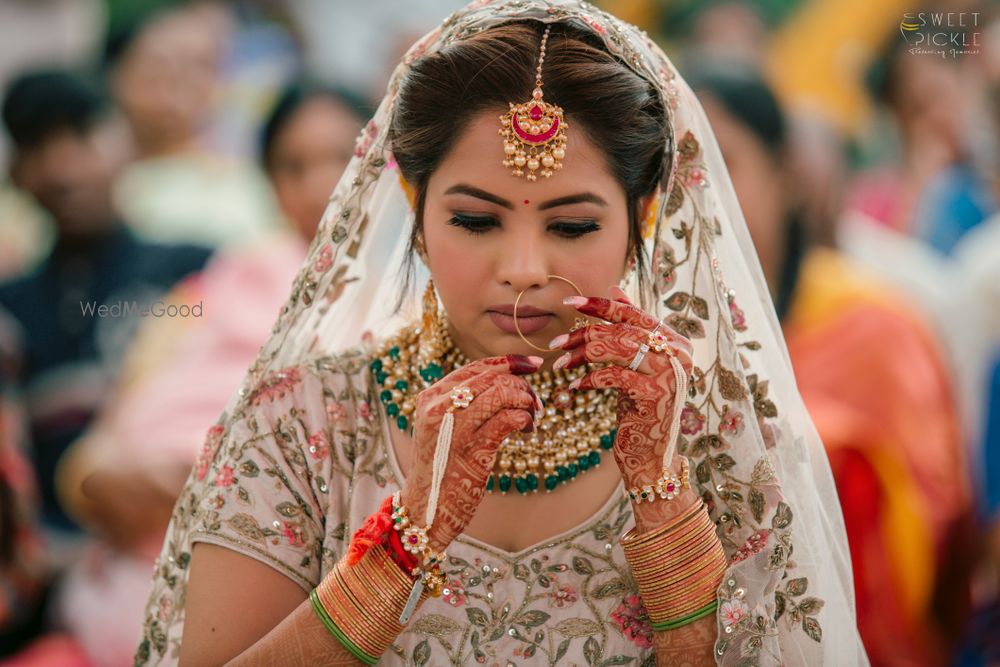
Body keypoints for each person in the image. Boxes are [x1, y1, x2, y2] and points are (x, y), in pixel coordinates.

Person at [136, 2, 864, 665]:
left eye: (573, 225)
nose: (523, 270)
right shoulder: (301, 420)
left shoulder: (710, 430)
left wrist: (663, 492)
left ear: (643, 218)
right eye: (476, 221)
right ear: (415, 209)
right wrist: (402, 540)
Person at [48, 82, 364, 667]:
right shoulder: (211, 284)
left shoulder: (411, 300)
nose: (321, 182)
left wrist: (215, 486)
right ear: (271, 186)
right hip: (136, 551)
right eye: (293, 166)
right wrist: (107, 477)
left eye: (341, 157)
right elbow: (95, 452)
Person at [690, 62, 975, 666]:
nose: (695, 193)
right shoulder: (649, 338)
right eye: (669, 171)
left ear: (786, 176)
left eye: (721, 165)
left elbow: (934, 530)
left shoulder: (876, 331)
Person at [0, 69, 212, 551]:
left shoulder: (195, 270)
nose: (62, 168)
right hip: (52, 563)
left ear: (126, 142)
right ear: (15, 173)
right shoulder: (8, 310)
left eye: (80, 136)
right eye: (37, 145)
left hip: (182, 534)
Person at [107, 6, 279, 248]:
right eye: (158, 67)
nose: (175, 86)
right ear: (119, 76)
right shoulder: (93, 182)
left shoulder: (241, 184)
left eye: (199, 67)